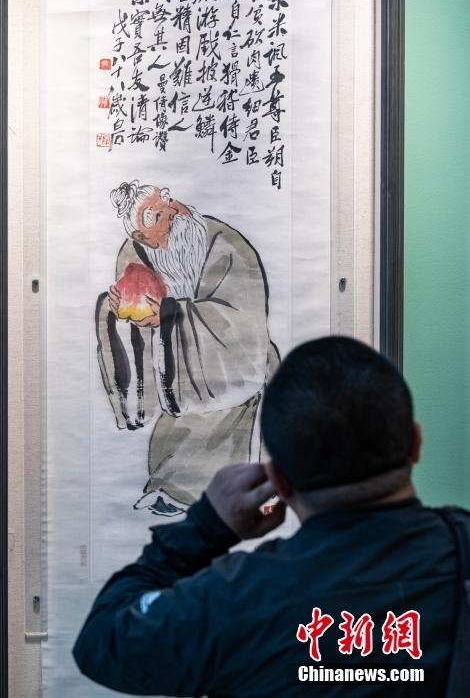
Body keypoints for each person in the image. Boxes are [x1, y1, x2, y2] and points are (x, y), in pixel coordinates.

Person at [73, 336, 464, 696]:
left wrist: (205, 528)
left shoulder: (231, 600)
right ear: (415, 443)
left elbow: (102, 640)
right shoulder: (462, 548)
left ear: (278, 479)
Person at [95, 180, 278, 515]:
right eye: (156, 215)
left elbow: (243, 320)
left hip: (236, 369)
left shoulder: (225, 243)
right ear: (142, 237)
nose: (171, 212)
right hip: (175, 379)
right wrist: (122, 310)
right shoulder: (133, 256)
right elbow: (134, 316)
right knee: (178, 439)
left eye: (167, 201)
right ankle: (174, 490)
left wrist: (169, 316)